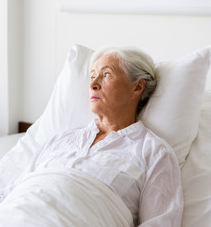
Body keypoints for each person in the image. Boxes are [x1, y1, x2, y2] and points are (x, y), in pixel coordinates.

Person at [29, 46, 183, 226]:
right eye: (92, 76)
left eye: (106, 74)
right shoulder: (60, 140)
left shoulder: (153, 152)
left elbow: (160, 222)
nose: (93, 84)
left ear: (137, 87)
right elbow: (13, 191)